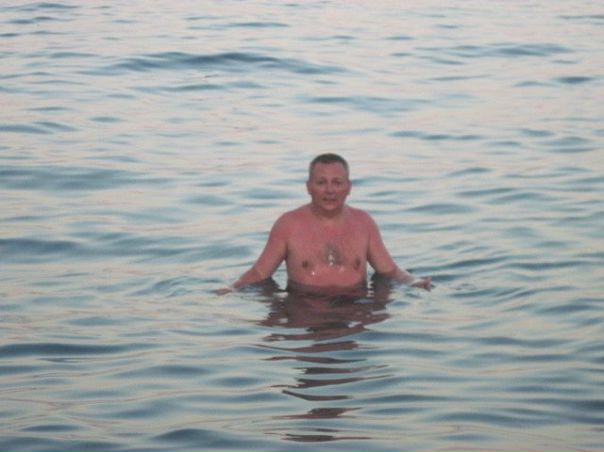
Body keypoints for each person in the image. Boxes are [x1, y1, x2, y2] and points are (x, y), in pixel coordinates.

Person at [218, 153, 432, 295]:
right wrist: (231, 288)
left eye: (337, 183)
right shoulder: (288, 226)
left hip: (355, 305)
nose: (330, 190)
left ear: (348, 187)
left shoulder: (364, 223)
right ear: (308, 187)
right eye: (321, 183)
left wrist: (413, 282)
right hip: (304, 306)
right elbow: (259, 273)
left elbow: (390, 270)